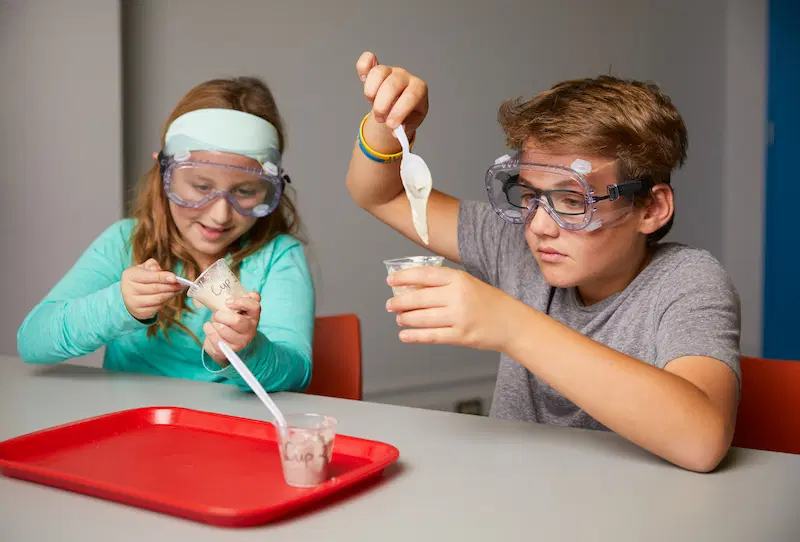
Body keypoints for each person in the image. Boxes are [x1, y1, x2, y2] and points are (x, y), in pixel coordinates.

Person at [346, 52, 740, 472]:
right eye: (530, 196)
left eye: (572, 201)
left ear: (651, 209)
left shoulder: (688, 282)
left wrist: (510, 326)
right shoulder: (515, 246)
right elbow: (381, 194)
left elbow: (702, 440)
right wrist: (387, 124)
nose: (539, 227)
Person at [17, 77, 315, 392]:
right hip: (132, 425)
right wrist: (120, 305)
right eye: (201, 187)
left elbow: (296, 374)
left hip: (229, 431)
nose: (220, 214)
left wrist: (248, 349)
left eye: (244, 191)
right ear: (165, 173)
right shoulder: (125, 243)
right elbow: (33, 341)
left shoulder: (278, 257)